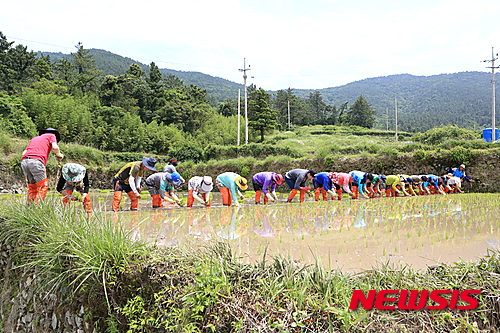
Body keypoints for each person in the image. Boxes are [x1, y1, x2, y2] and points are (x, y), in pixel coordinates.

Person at [21, 128, 64, 204]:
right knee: (42, 187)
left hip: (24, 162)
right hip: (36, 162)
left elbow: (24, 153)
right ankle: (37, 208)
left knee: (32, 187)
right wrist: (59, 155)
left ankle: (29, 207)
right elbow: (55, 147)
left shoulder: (34, 139)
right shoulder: (51, 135)